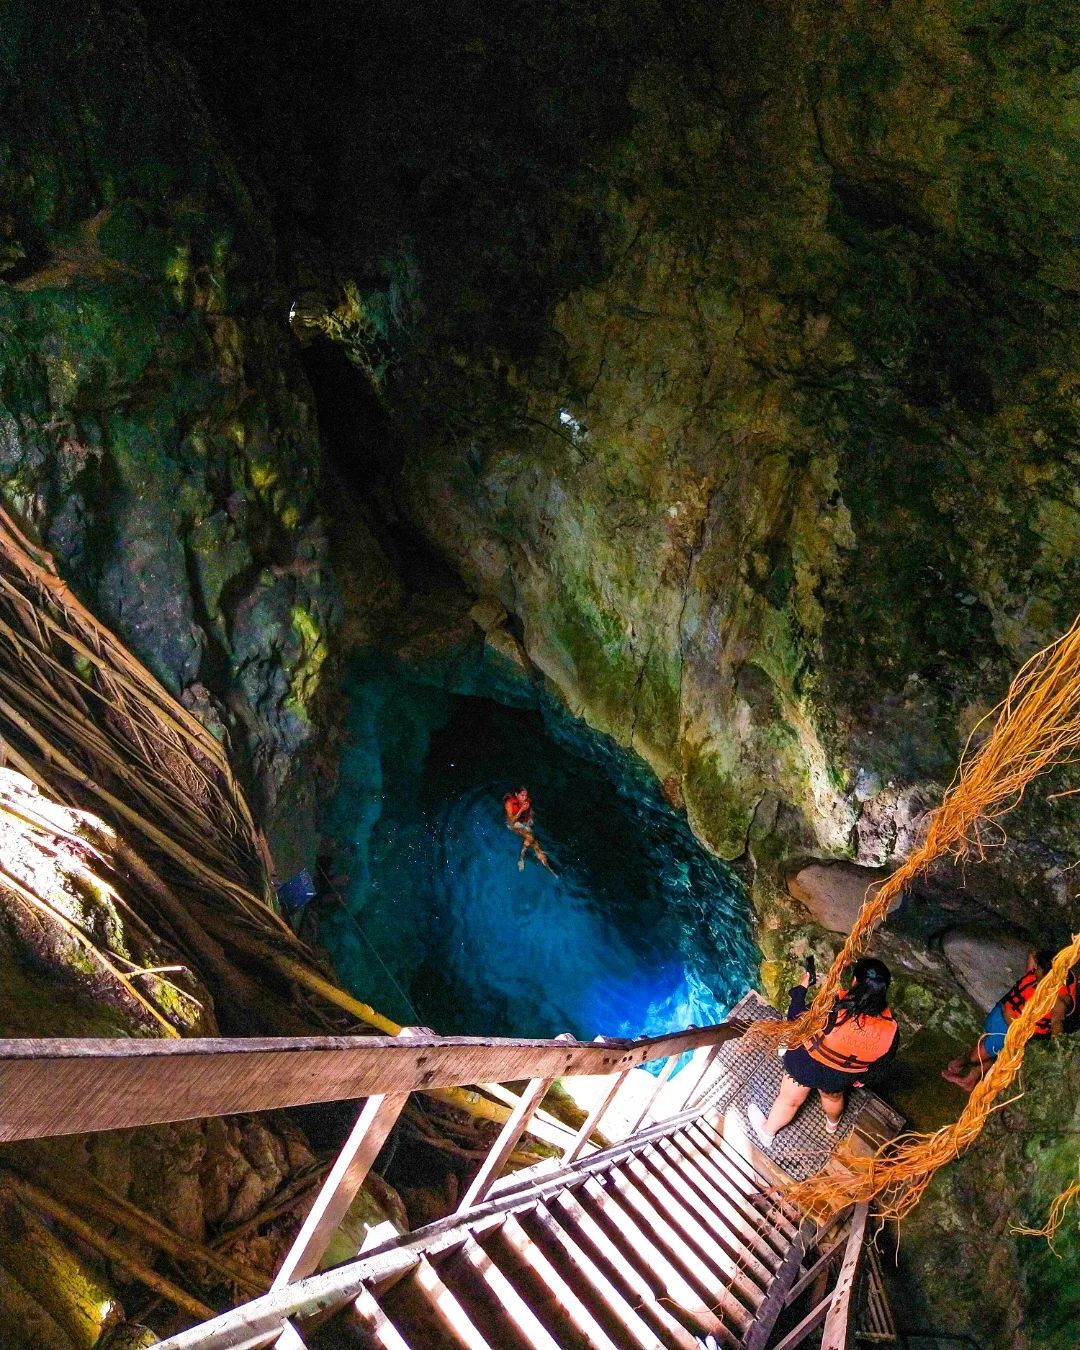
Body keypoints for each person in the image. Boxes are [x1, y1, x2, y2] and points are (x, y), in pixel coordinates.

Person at [747, 957, 899, 1149]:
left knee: (790, 1099)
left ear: (854, 981)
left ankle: (768, 1133)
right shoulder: (891, 1030)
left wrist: (801, 989)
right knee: (832, 1098)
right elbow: (883, 1063)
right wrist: (863, 1080)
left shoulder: (834, 1006)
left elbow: (796, 1019)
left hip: (805, 1065)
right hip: (839, 1077)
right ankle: (832, 1126)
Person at [942, 949, 1077, 1092]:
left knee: (977, 1055)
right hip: (1003, 1011)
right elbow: (1032, 955)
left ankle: (963, 1061)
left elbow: (1057, 1025)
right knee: (989, 1045)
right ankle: (971, 1078)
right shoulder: (1045, 974)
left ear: (1048, 976)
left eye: (1038, 969)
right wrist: (1037, 957)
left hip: (1009, 1031)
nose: (1035, 970)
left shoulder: (1059, 1000)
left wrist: (1057, 1052)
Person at [503, 787, 554, 873]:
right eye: (522, 795)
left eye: (526, 795)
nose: (525, 797)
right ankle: (522, 858)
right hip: (512, 824)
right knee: (530, 838)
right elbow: (511, 821)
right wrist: (521, 810)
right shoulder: (509, 803)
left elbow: (530, 812)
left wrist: (530, 817)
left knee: (533, 842)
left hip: (523, 823)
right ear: (516, 794)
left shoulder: (527, 801)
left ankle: (542, 862)